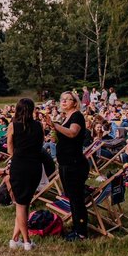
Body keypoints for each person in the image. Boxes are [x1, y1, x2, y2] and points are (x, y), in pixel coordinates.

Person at [46, 90, 90, 241]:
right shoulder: (66, 117)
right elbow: (60, 139)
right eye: (62, 99)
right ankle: (77, 226)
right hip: (66, 163)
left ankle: (81, 232)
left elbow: (72, 133)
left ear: (75, 102)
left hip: (75, 164)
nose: (63, 101)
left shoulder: (77, 115)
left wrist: (55, 125)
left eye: (68, 99)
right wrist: (53, 131)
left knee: (77, 199)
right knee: (71, 197)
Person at [6, 98, 44, 251]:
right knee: (24, 203)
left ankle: (26, 242)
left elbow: (10, 150)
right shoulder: (39, 126)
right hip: (35, 166)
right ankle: (14, 239)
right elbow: (40, 144)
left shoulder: (13, 126)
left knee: (21, 205)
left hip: (20, 165)